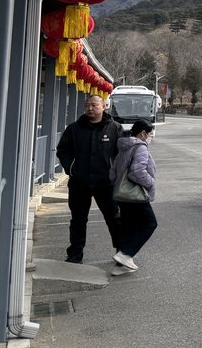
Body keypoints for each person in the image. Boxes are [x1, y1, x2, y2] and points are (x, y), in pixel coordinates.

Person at [56, 95, 122, 263]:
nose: (90, 108)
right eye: (87, 106)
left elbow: (122, 153)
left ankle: (123, 252)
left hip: (106, 183)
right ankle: (75, 254)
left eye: (94, 105)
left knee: (114, 218)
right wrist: (72, 169)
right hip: (80, 183)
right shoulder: (74, 129)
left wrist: (116, 171)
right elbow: (62, 150)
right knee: (78, 220)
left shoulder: (114, 129)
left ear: (103, 106)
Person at [109, 119, 157, 273]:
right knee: (149, 223)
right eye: (149, 134)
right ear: (143, 133)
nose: (150, 137)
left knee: (129, 226)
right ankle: (126, 254)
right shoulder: (140, 147)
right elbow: (137, 172)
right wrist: (150, 183)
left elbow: (113, 172)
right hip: (135, 194)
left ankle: (122, 265)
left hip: (121, 194)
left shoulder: (123, 146)